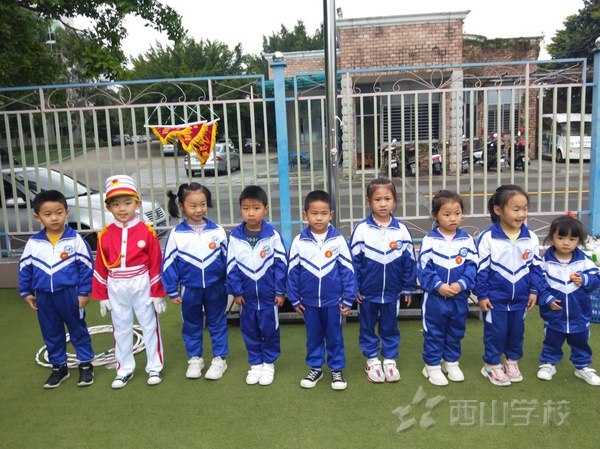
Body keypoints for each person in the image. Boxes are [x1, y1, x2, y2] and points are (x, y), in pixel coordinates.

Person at [91, 175, 167, 389]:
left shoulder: (147, 232)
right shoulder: (104, 235)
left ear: (137, 204)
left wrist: (157, 292)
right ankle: (124, 369)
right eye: (115, 204)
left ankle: (155, 367)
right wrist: (102, 295)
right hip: (116, 286)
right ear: (108, 207)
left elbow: (155, 263)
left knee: (149, 326)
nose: (122, 209)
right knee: (121, 328)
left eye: (127, 203)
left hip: (141, 282)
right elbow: (100, 267)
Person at [18, 190, 95, 389]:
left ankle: (85, 364)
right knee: (51, 332)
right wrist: (25, 292)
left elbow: (86, 267)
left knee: (78, 329)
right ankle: (59, 367)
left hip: (70, 294)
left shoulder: (75, 239)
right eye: (48, 214)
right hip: (44, 297)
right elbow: (25, 268)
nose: (54, 218)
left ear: (66, 213)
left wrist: (83, 292)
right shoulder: (33, 243)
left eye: (59, 212)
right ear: (38, 217)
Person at [474, 185, 543, 386]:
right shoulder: (488, 237)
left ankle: (511, 362)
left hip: (521, 299)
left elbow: (536, 267)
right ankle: (491, 364)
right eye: (516, 209)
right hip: (495, 299)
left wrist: (534, 290)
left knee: (516, 333)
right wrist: (482, 295)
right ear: (498, 210)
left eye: (525, 209)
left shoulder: (531, 237)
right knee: (495, 333)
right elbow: (481, 269)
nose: (522, 214)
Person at [288, 190, 357, 391]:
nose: (319, 218)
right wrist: (294, 298)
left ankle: (336, 369)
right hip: (308, 302)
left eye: (324, 213)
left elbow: (348, 271)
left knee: (335, 337)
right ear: (305, 215)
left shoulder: (338, 240)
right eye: (314, 213)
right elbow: (292, 272)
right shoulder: (299, 241)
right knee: (313, 337)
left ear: (331, 215)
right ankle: (315, 368)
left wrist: (348, 298)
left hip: (333, 302)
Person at [349, 178, 416, 383]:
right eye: (377, 199)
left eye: (387, 199)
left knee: (390, 326)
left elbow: (409, 261)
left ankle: (389, 359)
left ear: (395, 200)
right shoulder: (361, 229)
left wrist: (408, 288)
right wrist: (354, 287)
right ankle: (371, 359)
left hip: (392, 292)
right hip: (367, 293)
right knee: (367, 326)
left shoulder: (401, 230)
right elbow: (353, 262)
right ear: (368, 201)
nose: (383, 204)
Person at [162, 182, 229, 380]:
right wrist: (172, 290)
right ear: (181, 206)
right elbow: (169, 263)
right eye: (193, 206)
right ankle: (195, 358)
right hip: (189, 289)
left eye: (203, 204)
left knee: (217, 323)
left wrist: (230, 284)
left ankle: (219, 359)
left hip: (216, 287)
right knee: (191, 324)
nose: (199, 209)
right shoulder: (176, 234)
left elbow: (228, 259)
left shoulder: (217, 231)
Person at [227, 185, 287, 386]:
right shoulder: (234, 237)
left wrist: (280, 290)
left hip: (269, 297)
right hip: (246, 298)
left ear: (265, 209)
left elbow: (281, 264)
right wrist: (236, 291)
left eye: (256, 208)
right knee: (249, 330)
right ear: (240, 209)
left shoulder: (273, 235)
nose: (250, 213)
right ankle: (255, 363)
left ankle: (268, 363)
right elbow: (231, 266)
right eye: (246, 208)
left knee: (270, 330)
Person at [417, 190, 477, 386]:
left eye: (457, 213)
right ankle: (432, 366)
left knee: (456, 331)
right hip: (435, 299)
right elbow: (424, 268)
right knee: (434, 332)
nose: (453, 218)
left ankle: (450, 362)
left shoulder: (467, 239)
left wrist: (461, 284)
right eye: (447, 214)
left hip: (459, 298)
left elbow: (472, 266)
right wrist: (439, 286)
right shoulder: (430, 240)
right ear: (435, 215)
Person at [537, 214, 600, 386]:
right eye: (561, 237)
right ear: (551, 238)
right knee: (552, 340)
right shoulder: (544, 262)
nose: (566, 243)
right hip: (554, 315)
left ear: (579, 241)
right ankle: (548, 364)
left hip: (579, 314)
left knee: (581, 342)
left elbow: (596, 279)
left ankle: (582, 367)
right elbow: (537, 284)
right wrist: (547, 298)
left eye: (572, 239)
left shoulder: (584, 261)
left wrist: (585, 280)